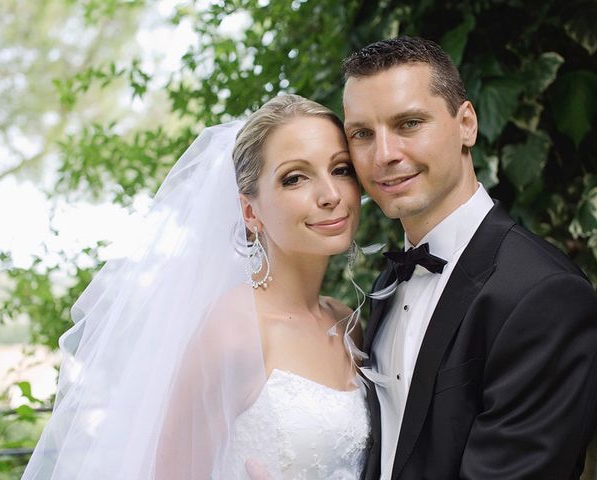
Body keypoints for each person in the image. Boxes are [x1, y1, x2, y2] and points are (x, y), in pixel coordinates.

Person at [22, 95, 371, 479]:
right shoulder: (235, 331)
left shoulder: (346, 321)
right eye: (294, 178)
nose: (331, 195)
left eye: (340, 170)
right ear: (250, 212)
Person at [341, 36, 597, 479]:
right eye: (362, 134)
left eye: (408, 123)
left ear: (467, 124)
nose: (384, 155)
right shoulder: (390, 279)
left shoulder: (542, 294)